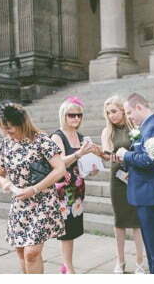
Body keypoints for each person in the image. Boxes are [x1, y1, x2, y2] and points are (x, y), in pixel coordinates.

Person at [0, 101, 66, 274]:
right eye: (3, 129)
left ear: (22, 123)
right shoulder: (5, 145)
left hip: (43, 202)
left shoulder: (42, 141)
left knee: (31, 253)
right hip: (20, 204)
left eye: (9, 129)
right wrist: (7, 184)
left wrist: (34, 189)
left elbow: (60, 169)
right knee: (20, 251)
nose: (6, 133)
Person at [116, 93, 154, 274]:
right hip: (145, 194)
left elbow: (149, 160)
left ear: (139, 107)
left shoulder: (153, 126)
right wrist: (124, 159)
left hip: (151, 195)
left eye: (129, 112)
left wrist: (126, 154)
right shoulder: (145, 126)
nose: (128, 117)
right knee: (151, 246)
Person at [49, 97, 100, 274]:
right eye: (72, 115)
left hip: (77, 190)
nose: (76, 118)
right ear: (64, 115)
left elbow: (84, 165)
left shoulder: (81, 137)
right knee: (66, 231)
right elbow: (59, 162)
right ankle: (68, 268)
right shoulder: (57, 136)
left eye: (79, 115)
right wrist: (79, 154)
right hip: (63, 191)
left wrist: (93, 168)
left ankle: (66, 265)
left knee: (72, 229)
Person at [99, 95, 147, 274]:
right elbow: (107, 154)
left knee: (136, 222)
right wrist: (102, 154)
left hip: (135, 176)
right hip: (117, 178)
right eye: (108, 113)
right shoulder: (107, 131)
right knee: (119, 221)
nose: (111, 115)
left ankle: (140, 262)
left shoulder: (134, 127)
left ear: (122, 110)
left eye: (114, 111)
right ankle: (120, 261)